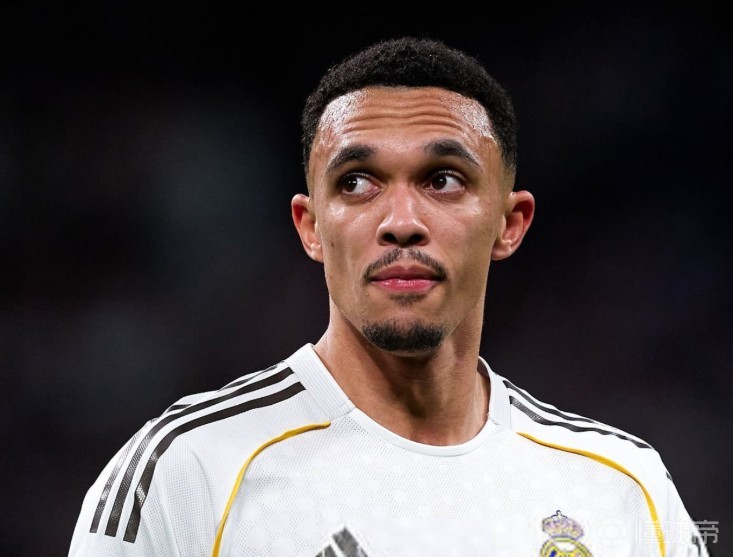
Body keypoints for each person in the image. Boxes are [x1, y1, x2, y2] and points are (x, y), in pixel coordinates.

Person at [68, 36, 708, 557]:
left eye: (443, 180)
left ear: (509, 224)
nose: (401, 221)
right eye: (357, 182)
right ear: (310, 227)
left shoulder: (625, 489)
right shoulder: (187, 473)